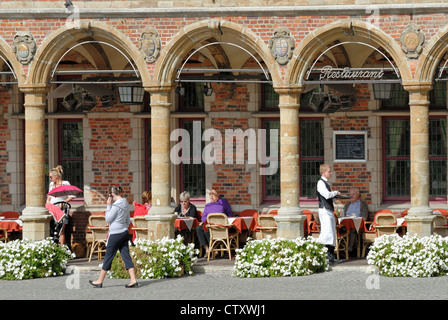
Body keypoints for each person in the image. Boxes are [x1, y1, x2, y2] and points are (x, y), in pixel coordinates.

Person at [89, 186, 138, 288]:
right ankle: (133, 279)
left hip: (115, 234)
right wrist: (123, 227)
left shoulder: (116, 205)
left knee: (108, 256)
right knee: (126, 255)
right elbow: (128, 220)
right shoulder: (125, 203)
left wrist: (108, 206)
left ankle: (100, 280)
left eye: (109, 196)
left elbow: (108, 218)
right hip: (124, 232)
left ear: (112, 195)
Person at [196, 189, 233, 257]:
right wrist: (207, 222)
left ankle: (215, 250)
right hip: (210, 225)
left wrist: (225, 222)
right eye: (210, 195)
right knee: (199, 229)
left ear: (217, 196)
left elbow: (230, 214)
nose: (211, 197)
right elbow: (203, 217)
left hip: (221, 226)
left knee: (207, 231)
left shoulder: (223, 202)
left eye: (213, 195)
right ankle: (207, 249)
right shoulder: (208, 206)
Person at [316, 164, 340, 263]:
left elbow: (329, 196)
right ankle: (326, 256)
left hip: (329, 210)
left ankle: (331, 256)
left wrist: (335, 198)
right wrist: (336, 193)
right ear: (324, 172)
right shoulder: (320, 183)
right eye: (329, 171)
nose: (331, 173)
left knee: (332, 233)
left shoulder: (326, 183)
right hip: (324, 210)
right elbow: (326, 195)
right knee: (327, 232)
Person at [46, 165, 75, 246]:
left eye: (51, 177)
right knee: (51, 230)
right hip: (52, 209)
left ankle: (62, 249)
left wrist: (63, 202)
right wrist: (48, 202)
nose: (50, 179)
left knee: (61, 230)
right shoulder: (51, 185)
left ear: (56, 176)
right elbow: (49, 196)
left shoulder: (65, 183)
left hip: (61, 210)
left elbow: (71, 196)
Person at [342, 187, 369, 253]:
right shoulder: (347, 205)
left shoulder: (363, 205)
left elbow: (364, 217)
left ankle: (349, 250)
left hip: (357, 226)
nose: (351, 196)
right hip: (345, 225)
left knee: (352, 229)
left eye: (353, 194)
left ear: (358, 194)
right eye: (350, 194)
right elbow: (342, 216)